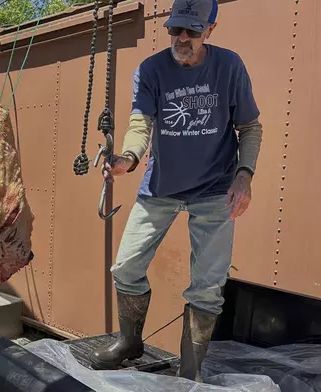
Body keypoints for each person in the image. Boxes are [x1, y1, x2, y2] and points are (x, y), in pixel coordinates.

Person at [89, 0, 263, 382]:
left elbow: (250, 127)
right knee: (127, 265)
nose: (182, 38)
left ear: (210, 31)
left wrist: (244, 177)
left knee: (207, 286)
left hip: (217, 188)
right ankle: (129, 342)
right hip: (161, 186)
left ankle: (190, 370)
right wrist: (128, 158)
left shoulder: (229, 66)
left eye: (192, 31)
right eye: (175, 29)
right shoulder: (151, 70)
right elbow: (140, 122)